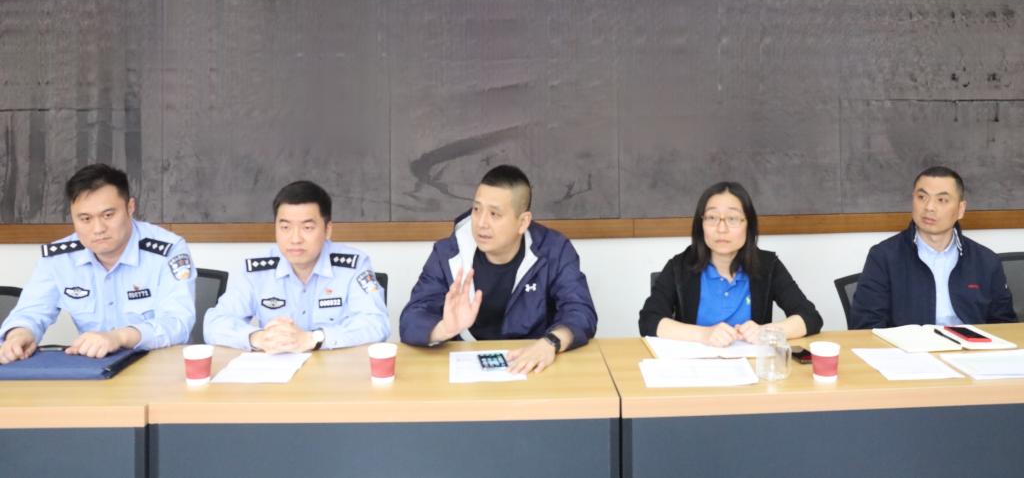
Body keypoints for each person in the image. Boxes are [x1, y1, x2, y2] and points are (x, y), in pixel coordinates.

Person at [400, 165, 597, 374]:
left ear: (523, 222)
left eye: (494, 214)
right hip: (465, 369)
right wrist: (444, 329)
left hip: (531, 365)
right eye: (477, 209)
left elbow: (580, 312)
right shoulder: (448, 253)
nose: (481, 223)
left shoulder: (554, 250)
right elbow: (411, 319)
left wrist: (550, 342)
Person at [0, 164, 196, 363]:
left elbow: (178, 323)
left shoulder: (168, 250)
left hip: (159, 366)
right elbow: (31, 311)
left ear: (130, 208)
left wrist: (119, 337)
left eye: (108, 215)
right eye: (85, 219)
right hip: (95, 368)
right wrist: (19, 335)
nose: (98, 229)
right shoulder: (59, 259)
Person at [204, 180, 389, 352]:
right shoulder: (257, 270)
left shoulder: (354, 266)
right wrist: (258, 338)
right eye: (285, 227)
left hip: (334, 371)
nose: (295, 239)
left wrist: (314, 338)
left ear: (327, 230)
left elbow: (376, 323)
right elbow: (215, 323)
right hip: (276, 371)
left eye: (307, 228)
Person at [639, 181, 822, 346]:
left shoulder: (768, 265)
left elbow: (810, 317)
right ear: (701, 225)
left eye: (732, 219)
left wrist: (766, 332)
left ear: (748, 225)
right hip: (694, 368)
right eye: (712, 218)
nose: (721, 229)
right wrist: (704, 335)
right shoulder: (679, 267)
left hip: (752, 368)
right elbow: (648, 320)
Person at [850, 166, 1015, 329]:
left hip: (970, 345)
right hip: (908, 345)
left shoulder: (986, 261)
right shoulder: (884, 257)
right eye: (922, 197)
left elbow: (1005, 325)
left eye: (942, 200)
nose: (929, 207)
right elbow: (866, 325)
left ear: (960, 209)